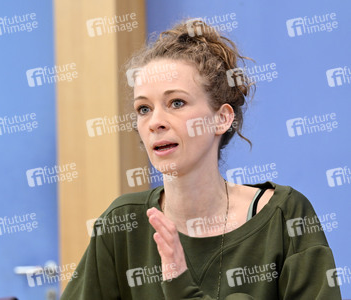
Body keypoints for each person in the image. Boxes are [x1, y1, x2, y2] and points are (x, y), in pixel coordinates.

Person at [60, 19, 342, 300]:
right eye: (143, 108)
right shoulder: (122, 223)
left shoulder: (285, 215)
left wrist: (181, 286)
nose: (155, 122)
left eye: (177, 103)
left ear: (222, 118)